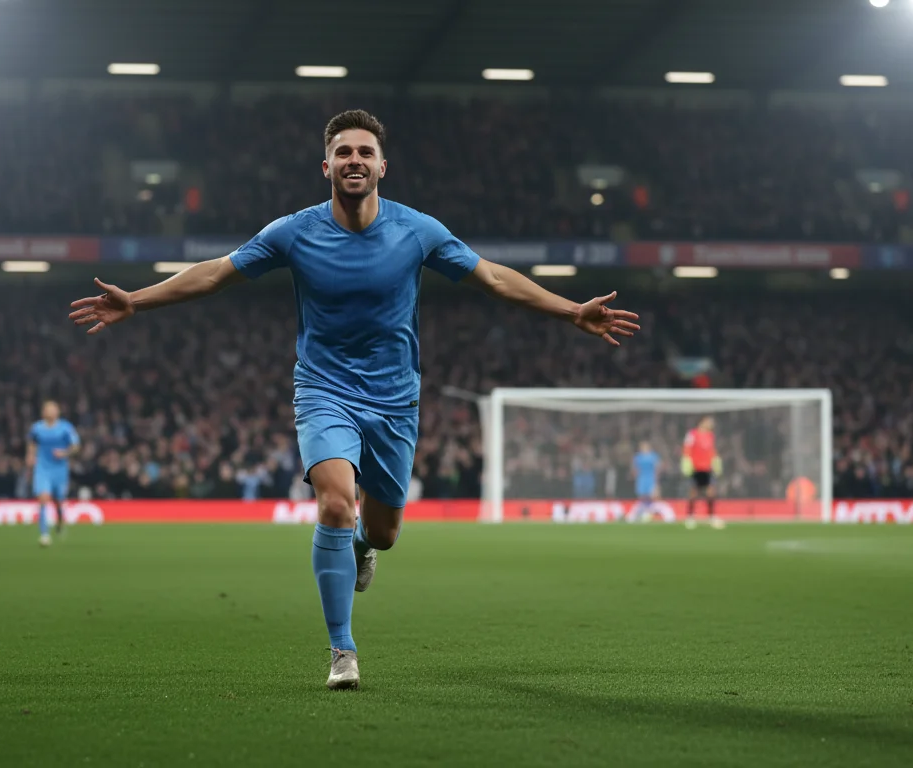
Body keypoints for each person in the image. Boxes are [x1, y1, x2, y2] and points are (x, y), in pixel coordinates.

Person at [67, 109, 640, 690]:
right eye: (343, 152)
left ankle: (365, 546)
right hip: (324, 390)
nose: (355, 161)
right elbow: (217, 272)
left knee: (383, 531)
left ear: (383, 166)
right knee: (337, 505)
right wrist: (137, 300)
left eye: (365, 152)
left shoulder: (417, 231)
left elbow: (491, 277)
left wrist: (572, 310)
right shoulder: (294, 231)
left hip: (395, 400)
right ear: (327, 167)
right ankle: (342, 649)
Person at [26, 400, 80, 547]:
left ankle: (60, 519)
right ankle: (44, 534)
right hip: (42, 468)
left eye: (53, 409)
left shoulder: (66, 428)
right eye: (47, 409)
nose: (50, 412)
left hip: (60, 469)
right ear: (43, 412)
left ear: (57, 412)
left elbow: (76, 446)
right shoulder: (36, 428)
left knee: (58, 499)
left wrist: (64, 453)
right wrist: (30, 455)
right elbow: (32, 442)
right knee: (43, 498)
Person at [681, 416, 723, 529]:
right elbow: (687, 448)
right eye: (709, 422)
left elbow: (712, 450)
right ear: (702, 422)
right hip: (696, 468)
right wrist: (686, 461)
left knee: (711, 492)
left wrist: (716, 461)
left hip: (707, 468)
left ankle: (711, 516)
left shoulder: (710, 435)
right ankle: (690, 517)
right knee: (693, 492)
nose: (711, 424)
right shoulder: (692, 434)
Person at [628, 441, 661, 522]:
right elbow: (635, 469)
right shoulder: (638, 457)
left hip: (650, 478)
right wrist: (634, 475)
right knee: (642, 497)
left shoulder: (653, 456)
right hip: (641, 478)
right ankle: (644, 513)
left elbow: (657, 468)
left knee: (651, 496)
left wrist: (656, 481)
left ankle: (650, 513)